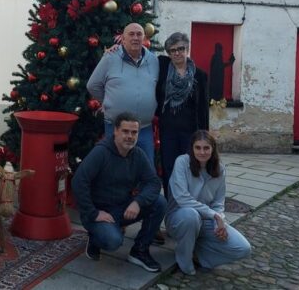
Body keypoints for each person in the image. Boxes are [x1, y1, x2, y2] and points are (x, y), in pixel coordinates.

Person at [72, 112, 167, 272]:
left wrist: (138, 202)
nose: (130, 136)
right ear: (115, 131)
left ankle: (140, 251)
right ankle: (95, 239)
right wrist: (93, 213)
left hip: (123, 207)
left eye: (134, 132)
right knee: (113, 241)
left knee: (160, 203)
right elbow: (78, 182)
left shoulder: (137, 154)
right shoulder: (101, 152)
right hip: (99, 212)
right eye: (125, 131)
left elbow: (153, 182)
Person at [164, 130, 251, 275]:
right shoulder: (182, 162)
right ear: (192, 149)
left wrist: (219, 221)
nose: (202, 152)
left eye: (206, 148)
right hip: (179, 218)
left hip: (207, 220)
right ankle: (184, 259)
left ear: (213, 149)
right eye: (198, 147)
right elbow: (182, 199)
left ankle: (198, 253)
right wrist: (215, 215)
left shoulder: (220, 169)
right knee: (191, 215)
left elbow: (218, 202)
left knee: (243, 248)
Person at [87, 23, 159, 167]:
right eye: (131, 34)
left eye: (139, 34)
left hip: (143, 129)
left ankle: (145, 191)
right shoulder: (110, 58)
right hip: (116, 128)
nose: (135, 38)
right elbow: (92, 85)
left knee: (146, 169)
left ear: (144, 38)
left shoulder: (153, 60)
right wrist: (107, 101)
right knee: (115, 169)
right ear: (123, 39)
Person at [156, 32, 209, 197]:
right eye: (172, 50)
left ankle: (188, 202)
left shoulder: (200, 75)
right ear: (168, 53)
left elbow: (203, 108)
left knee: (189, 168)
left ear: (187, 49)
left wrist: (204, 134)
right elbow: (140, 53)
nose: (177, 53)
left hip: (190, 131)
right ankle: (171, 203)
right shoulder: (163, 68)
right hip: (168, 130)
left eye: (180, 48)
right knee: (169, 167)